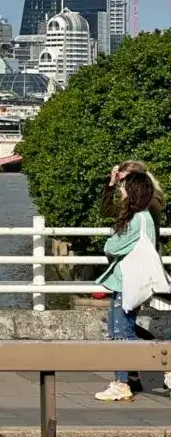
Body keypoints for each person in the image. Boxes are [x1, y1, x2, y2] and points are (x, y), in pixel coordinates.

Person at [94, 169, 159, 402]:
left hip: (127, 283)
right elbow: (107, 211)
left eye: (123, 187)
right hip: (130, 281)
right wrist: (110, 185)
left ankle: (122, 383)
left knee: (121, 332)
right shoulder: (144, 216)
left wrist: (111, 243)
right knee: (123, 330)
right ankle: (128, 379)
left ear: (133, 191)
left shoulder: (137, 220)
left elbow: (112, 246)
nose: (121, 190)